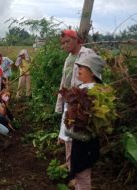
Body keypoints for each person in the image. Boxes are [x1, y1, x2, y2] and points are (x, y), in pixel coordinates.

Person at [56, 30, 96, 169]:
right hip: (69, 101)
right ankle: (69, 164)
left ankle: (77, 169)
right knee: (67, 134)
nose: (65, 45)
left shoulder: (87, 54)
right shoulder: (68, 58)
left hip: (81, 103)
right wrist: (60, 103)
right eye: (62, 43)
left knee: (79, 137)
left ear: (76, 39)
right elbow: (64, 80)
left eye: (67, 41)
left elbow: (94, 77)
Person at [66, 55, 105, 189]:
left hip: (86, 140)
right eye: (78, 67)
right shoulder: (83, 87)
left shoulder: (94, 90)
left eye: (82, 67)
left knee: (82, 172)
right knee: (79, 170)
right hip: (78, 137)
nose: (78, 69)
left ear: (92, 72)